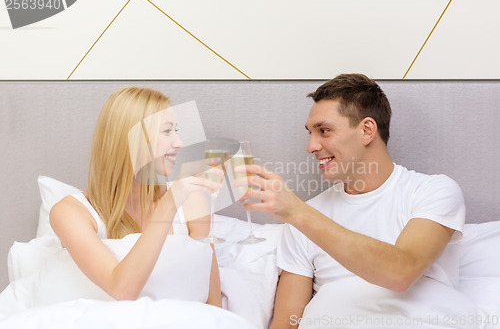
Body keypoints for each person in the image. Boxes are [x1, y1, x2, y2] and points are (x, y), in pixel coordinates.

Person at [234, 74, 477, 328]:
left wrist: (297, 212)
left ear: (366, 130)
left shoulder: (432, 191)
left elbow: (401, 273)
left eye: (324, 131)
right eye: (311, 133)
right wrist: (298, 216)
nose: (311, 146)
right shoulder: (304, 219)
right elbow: (287, 323)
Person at [50, 87, 222, 306]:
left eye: (176, 131)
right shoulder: (69, 213)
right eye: (167, 131)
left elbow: (213, 303)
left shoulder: (190, 200)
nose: (179, 143)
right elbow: (122, 290)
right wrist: (169, 204)